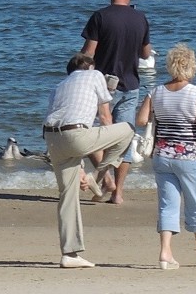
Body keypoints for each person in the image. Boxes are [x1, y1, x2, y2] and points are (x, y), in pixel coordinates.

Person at [135, 43, 196, 269]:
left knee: (167, 205)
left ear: (170, 66)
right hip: (190, 157)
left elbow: (141, 120)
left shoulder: (156, 91)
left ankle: (165, 253)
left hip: (162, 155)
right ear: (191, 66)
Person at [43, 53, 134, 268]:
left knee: (67, 195)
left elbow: (59, 123)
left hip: (52, 138)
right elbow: (104, 117)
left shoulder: (59, 86)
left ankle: (70, 254)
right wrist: (109, 136)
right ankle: (100, 175)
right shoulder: (95, 75)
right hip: (76, 135)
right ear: (90, 67)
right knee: (128, 130)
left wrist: (79, 168)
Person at [81, 0, 152, 204]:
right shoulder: (140, 18)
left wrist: (78, 74)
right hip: (130, 83)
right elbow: (146, 53)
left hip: (102, 84)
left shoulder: (100, 17)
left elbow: (89, 53)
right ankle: (117, 192)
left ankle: (107, 179)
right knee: (125, 138)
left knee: (87, 132)